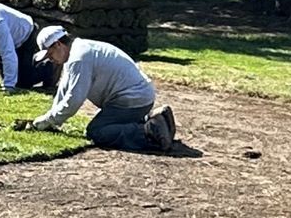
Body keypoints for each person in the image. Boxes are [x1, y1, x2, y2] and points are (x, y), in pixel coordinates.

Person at [20, 23, 177, 152]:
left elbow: (74, 100)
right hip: (137, 97)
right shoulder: (77, 51)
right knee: (105, 123)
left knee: (97, 131)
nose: (50, 60)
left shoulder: (79, 59)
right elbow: (64, 90)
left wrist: (46, 121)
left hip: (133, 99)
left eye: (50, 54)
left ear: (58, 44)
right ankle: (155, 120)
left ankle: (149, 132)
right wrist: (51, 120)